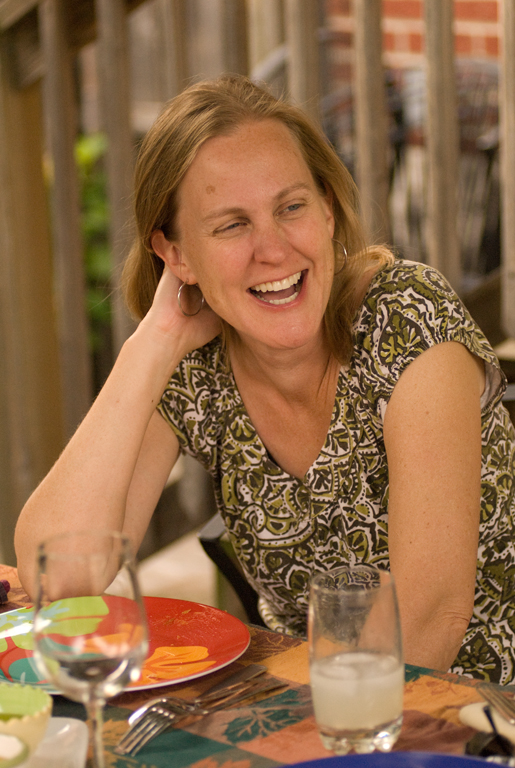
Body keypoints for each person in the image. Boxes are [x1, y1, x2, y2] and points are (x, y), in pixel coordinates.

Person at [15, 74, 515, 683]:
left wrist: (299, 725)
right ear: (176, 254)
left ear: (327, 210)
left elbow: (430, 617)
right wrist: (153, 343)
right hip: (310, 697)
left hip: (471, 705)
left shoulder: (406, 318)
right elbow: (58, 580)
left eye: (290, 207)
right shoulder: (196, 368)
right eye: (231, 225)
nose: (273, 249)